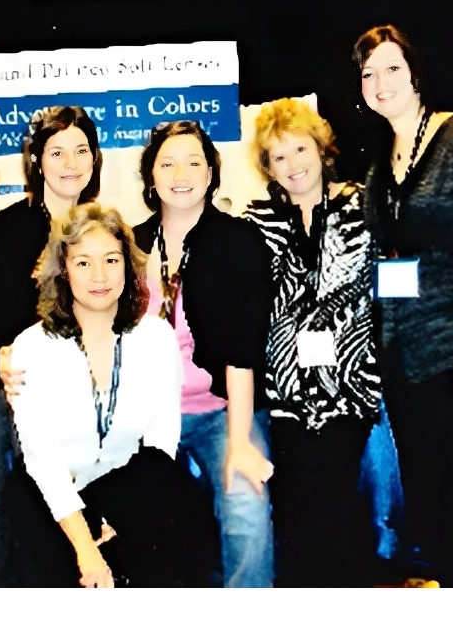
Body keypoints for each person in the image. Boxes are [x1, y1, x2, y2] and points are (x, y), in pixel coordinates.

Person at [354, 25, 453, 589]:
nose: (381, 83)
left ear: (416, 72)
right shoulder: (379, 167)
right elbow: (387, 264)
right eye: (368, 73)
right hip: (409, 363)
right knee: (436, 514)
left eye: (392, 68)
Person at [5, 203, 216, 590]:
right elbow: (42, 459)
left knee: (175, 506)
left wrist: (124, 520)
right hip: (55, 497)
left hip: (128, 489)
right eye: (83, 262)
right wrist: (86, 547)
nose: (99, 276)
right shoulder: (32, 348)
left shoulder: (156, 338)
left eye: (111, 260)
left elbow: (161, 443)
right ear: (62, 270)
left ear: (127, 267)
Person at [0, 106, 102, 590]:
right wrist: (2, 354)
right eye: (57, 152)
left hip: (51, 393)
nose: (70, 163)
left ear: (95, 159)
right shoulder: (5, 230)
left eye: (81, 150)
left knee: (54, 507)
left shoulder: (99, 231)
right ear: (36, 161)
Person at [243, 97, 381, 590]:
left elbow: (399, 280)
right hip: (284, 396)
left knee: (341, 508)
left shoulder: (365, 205)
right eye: (278, 156)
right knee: (297, 517)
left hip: (351, 387)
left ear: (322, 150)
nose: (292, 164)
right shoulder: (255, 222)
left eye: (300, 149)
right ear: (267, 167)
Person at [132, 120, 275, 590]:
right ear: (150, 176)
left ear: (211, 174)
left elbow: (243, 349)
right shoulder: (127, 246)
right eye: (167, 164)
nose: (181, 174)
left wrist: (240, 441)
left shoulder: (238, 241)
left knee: (246, 502)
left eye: (194, 163)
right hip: (147, 417)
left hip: (221, 411)